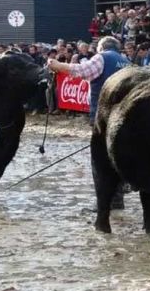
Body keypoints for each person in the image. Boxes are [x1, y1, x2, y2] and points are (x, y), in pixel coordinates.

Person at [47, 36, 131, 210]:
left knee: (100, 160)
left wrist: (57, 66)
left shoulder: (103, 57)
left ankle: (104, 204)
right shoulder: (126, 61)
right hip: (124, 115)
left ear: (102, 48)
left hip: (104, 115)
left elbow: (81, 71)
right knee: (115, 157)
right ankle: (117, 200)